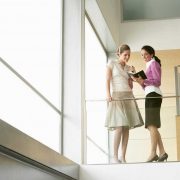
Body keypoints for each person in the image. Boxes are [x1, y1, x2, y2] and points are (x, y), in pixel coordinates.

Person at [105, 44, 144, 163]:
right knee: (119, 126)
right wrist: (108, 94)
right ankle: (115, 156)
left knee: (126, 127)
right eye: (125, 55)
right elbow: (107, 79)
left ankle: (123, 156)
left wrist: (133, 72)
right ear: (119, 54)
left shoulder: (128, 67)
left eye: (129, 55)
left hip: (128, 96)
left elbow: (135, 84)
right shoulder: (111, 63)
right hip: (117, 95)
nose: (127, 57)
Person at [135, 45, 168, 162]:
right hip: (150, 94)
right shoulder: (149, 64)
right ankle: (162, 151)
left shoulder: (153, 64)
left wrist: (144, 81)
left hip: (154, 95)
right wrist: (140, 82)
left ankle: (153, 153)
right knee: (151, 126)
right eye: (142, 55)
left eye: (146, 54)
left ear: (152, 54)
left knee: (151, 125)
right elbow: (147, 86)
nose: (144, 57)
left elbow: (157, 82)